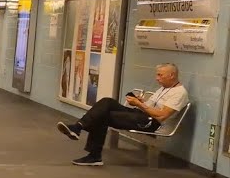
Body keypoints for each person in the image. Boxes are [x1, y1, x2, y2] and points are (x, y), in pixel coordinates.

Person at [55, 63, 189, 166]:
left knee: (103, 116)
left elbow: (162, 115)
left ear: (172, 75)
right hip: (142, 115)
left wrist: (139, 104)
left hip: (152, 124)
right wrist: (141, 102)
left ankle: (90, 148)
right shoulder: (164, 88)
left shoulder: (179, 93)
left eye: (160, 75)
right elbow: (150, 106)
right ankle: (78, 128)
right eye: (157, 75)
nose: (157, 78)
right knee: (106, 102)